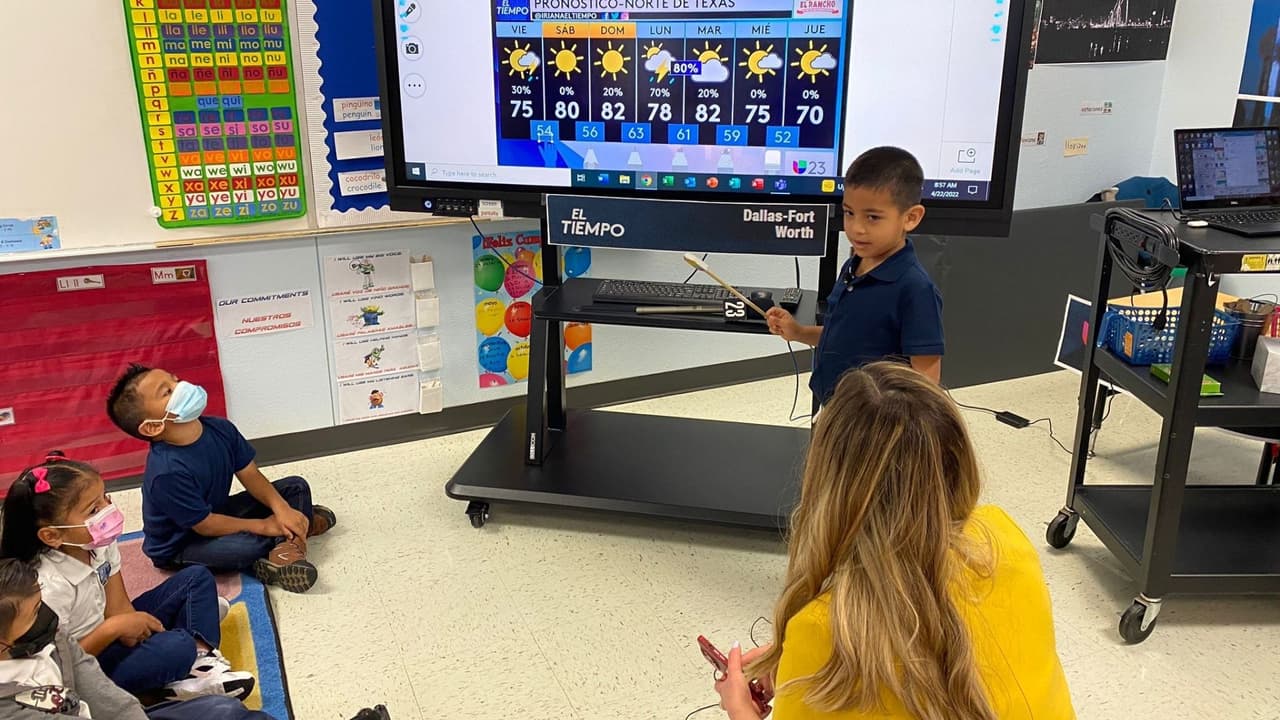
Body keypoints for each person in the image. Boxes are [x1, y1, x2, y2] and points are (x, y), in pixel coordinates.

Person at [713, 363, 1074, 719]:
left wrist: (741, 709)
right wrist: (793, 658)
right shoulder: (1003, 534)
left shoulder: (822, 630)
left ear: (828, 480)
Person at [0, 453, 254, 701]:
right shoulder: (47, 586)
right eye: (93, 509)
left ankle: (200, 661)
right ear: (52, 536)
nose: (107, 510)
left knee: (196, 578)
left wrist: (131, 627)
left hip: (108, 632)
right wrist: (116, 629)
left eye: (104, 498)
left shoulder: (97, 543)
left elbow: (119, 606)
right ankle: (181, 660)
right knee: (176, 646)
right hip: (86, 665)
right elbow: (59, 666)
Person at [106, 365, 337, 593]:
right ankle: (293, 537)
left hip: (218, 512)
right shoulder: (166, 472)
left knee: (296, 487)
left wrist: (281, 508)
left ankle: (286, 544)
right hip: (181, 544)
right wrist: (264, 525)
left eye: (175, 380)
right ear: (153, 427)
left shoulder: (220, 428)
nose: (182, 387)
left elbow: (251, 475)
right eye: (167, 391)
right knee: (247, 545)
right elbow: (205, 525)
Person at [766, 147, 944, 405]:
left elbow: (926, 376)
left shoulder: (915, 288)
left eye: (873, 217)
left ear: (911, 218)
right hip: (833, 405)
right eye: (849, 213)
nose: (856, 228)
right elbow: (842, 334)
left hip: (875, 422)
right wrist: (799, 332)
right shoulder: (853, 266)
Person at [0, 559, 272, 719]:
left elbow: (103, 693)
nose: (47, 616)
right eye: (36, 611)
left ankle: (197, 664)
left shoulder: (52, 637)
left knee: (225, 711)